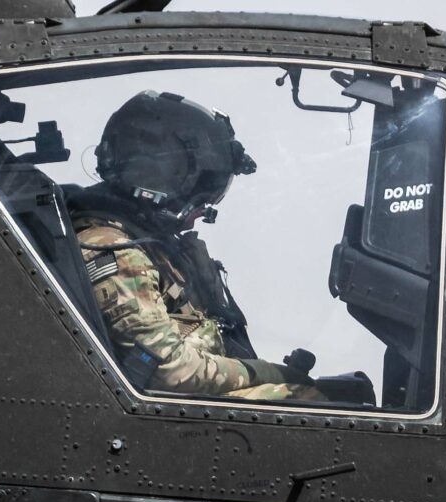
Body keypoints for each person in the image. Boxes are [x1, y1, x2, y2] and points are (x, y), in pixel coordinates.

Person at [70, 90, 327, 403]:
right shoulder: (113, 250)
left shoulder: (151, 246)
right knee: (305, 401)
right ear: (161, 177)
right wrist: (270, 373)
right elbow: (169, 369)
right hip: (163, 413)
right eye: (199, 194)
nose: (202, 211)